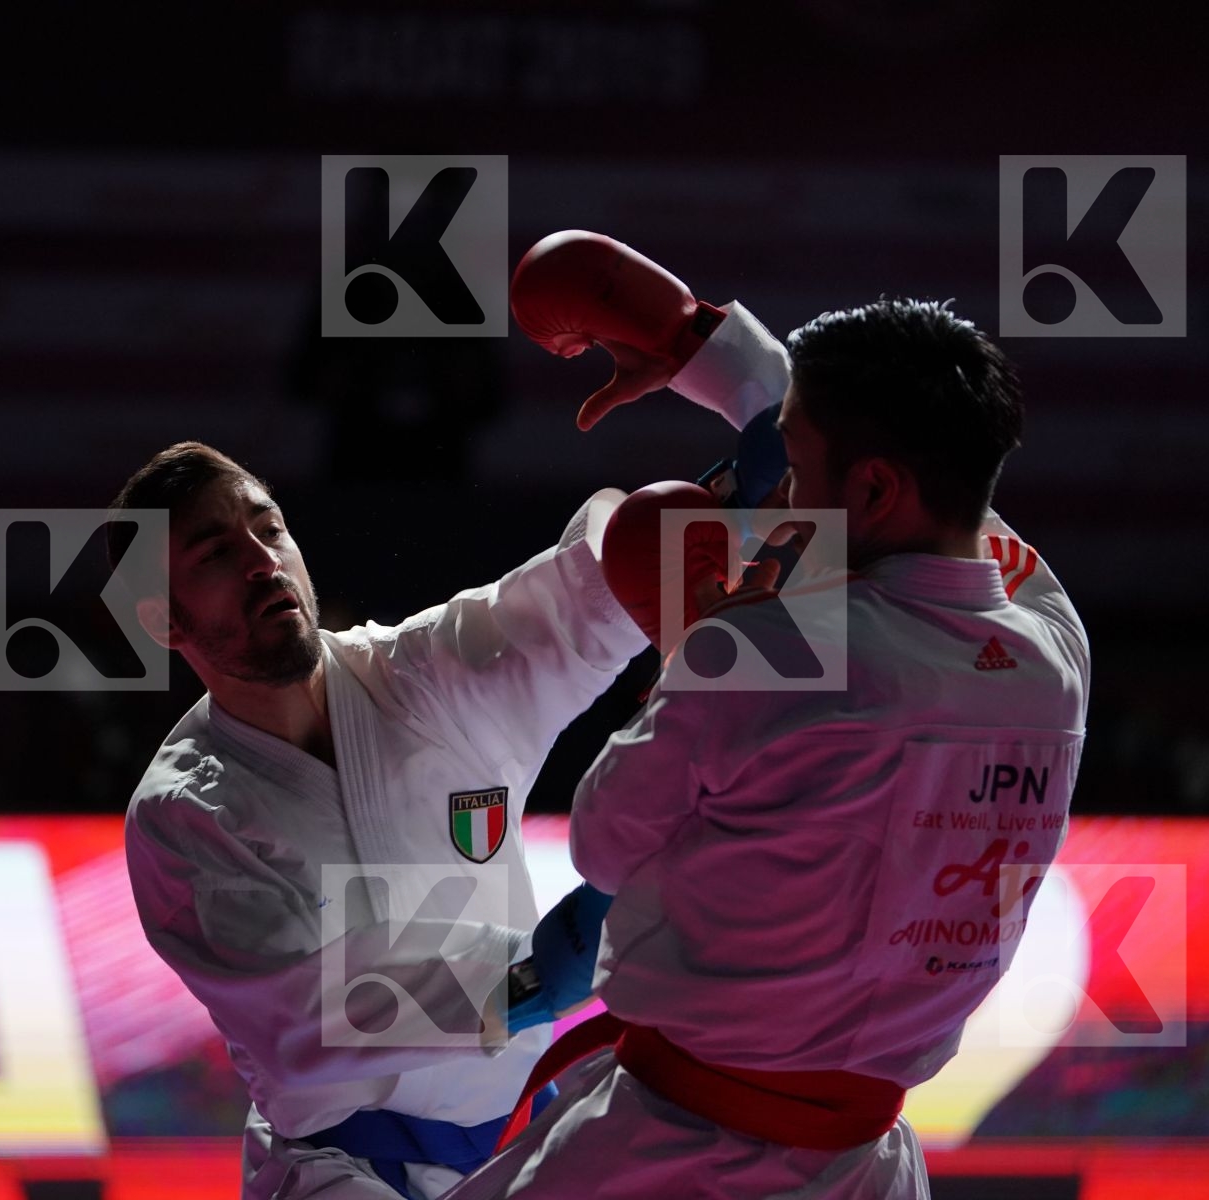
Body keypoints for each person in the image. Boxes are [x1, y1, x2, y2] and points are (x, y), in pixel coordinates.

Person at [449, 232, 1091, 1199]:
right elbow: (963, 520)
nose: (778, 492)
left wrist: (687, 646)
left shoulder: (770, 648)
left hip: (669, 1154)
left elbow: (605, 845)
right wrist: (719, 360)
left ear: (871, 487)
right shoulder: (1056, 653)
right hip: (867, 1167)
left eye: (791, 462)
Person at [115, 441, 650, 1199]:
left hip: (530, 1141)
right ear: (164, 621)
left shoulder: (423, 676)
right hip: (343, 1173)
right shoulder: (186, 816)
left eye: (268, 529)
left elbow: (580, 606)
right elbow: (305, 1018)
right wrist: (529, 977)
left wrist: (706, 497)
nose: (261, 561)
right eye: (214, 555)